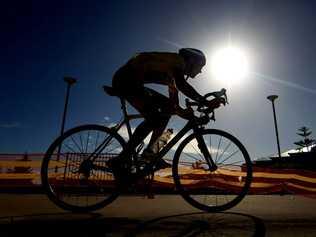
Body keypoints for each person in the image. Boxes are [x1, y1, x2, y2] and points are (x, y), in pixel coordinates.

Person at [110, 48, 209, 176]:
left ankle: (151, 152)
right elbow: (182, 85)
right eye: (200, 66)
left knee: (167, 109)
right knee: (154, 118)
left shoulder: (172, 75)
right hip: (125, 80)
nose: (200, 71)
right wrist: (204, 101)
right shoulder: (177, 61)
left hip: (131, 81)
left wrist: (190, 116)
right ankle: (121, 159)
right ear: (191, 60)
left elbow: (173, 106)